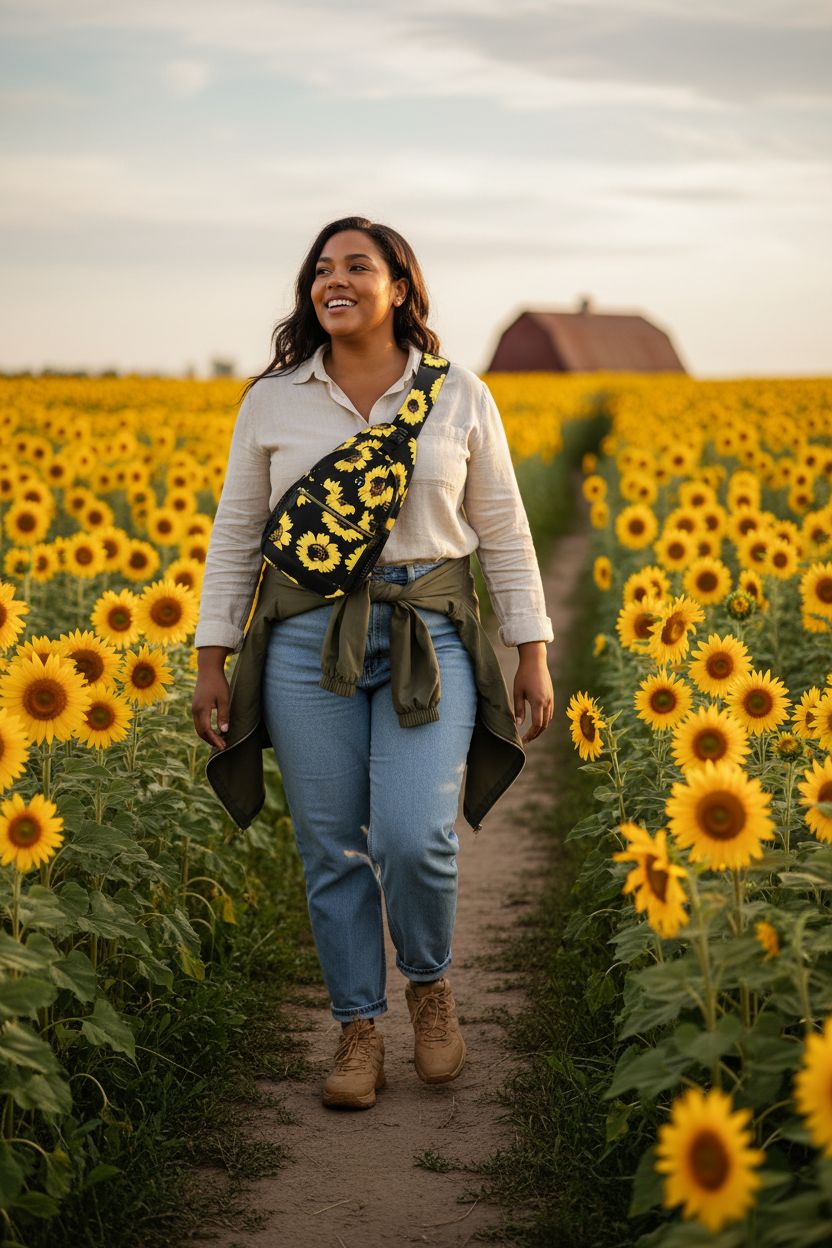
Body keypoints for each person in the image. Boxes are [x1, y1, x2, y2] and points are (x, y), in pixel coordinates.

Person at [192, 216, 554, 1111]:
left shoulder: (459, 393)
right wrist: (212, 658)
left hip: (427, 630)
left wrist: (532, 651)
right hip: (306, 638)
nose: (334, 280)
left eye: (358, 265)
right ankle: (358, 1025)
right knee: (330, 845)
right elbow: (238, 534)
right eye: (322, 269)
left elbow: (503, 531)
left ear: (402, 287)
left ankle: (428, 989)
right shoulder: (274, 399)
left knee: (411, 836)